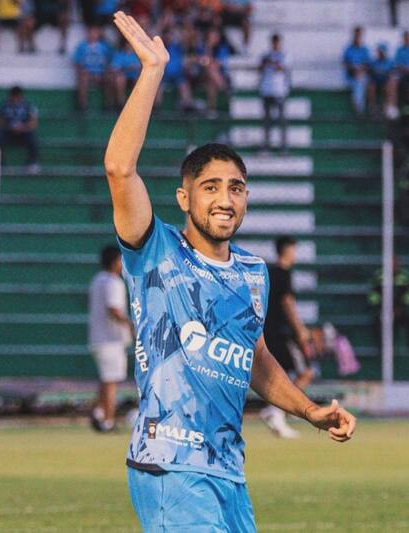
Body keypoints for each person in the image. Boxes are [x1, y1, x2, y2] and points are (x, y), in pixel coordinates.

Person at [105, 12, 355, 532]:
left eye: (236, 187)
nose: (225, 198)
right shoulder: (155, 250)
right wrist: (152, 71)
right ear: (184, 197)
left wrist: (308, 410)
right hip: (169, 464)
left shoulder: (252, 272)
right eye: (211, 186)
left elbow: (255, 359)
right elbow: (120, 169)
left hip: (228, 471)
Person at [259, 236, 315, 439]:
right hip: (282, 333)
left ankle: (276, 413)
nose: (294, 253)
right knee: (306, 372)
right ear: (286, 250)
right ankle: (278, 411)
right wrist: (300, 329)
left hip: (268, 331)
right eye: (292, 249)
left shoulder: (270, 273)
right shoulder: (283, 274)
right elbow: (287, 303)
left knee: (280, 374)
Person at [88, 246, 132, 433]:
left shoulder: (97, 280)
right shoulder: (113, 282)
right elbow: (113, 309)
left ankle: (98, 413)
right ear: (115, 261)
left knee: (106, 380)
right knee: (111, 381)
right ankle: (108, 421)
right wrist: (131, 325)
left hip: (98, 337)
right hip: (110, 339)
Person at [368, 255, 409, 352]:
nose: (394, 265)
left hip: (400, 309)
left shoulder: (405, 276)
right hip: (383, 310)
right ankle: (382, 349)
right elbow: (373, 295)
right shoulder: (379, 276)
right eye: (391, 263)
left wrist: (401, 307)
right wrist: (382, 307)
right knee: (378, 322)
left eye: (396, 263)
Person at [258, 33, 290, 152]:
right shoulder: (265, 55)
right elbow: (260, 68)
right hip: (266, 90)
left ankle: (283, 145)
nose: (275, 44)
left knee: (281, 120)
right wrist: (265, 63)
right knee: (267, 121)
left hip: (279, 91)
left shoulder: (285, 55)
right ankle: (266, 145)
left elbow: (282, 68)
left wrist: (269, 62)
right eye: (274, 42)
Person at [0, 85, 39, 173]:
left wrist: (23, 127)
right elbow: (0, 122)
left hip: (24, 131)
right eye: (14, 97)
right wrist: (11, 127)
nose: (16, 99)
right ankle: (0, 164)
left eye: (18, 97)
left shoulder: (28, 106)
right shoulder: (4, 106)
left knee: (32, 138)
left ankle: (33, 163)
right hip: (9, 131)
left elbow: (34, 123)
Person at [72, 25, 112, 110]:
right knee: (83, 77)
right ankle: (83, 105)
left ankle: (108, 105)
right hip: (87, 73)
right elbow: (76, 61)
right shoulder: (81, 46)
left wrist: (106, 71)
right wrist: (80, 71)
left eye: (95, 32)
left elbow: (110, 61)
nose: (93, 34)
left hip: (101, 72)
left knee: (109, 78)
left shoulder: (104, 46)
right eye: (91, 32)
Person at [342, 26, 370, 116]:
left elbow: (367, 64)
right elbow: (345, 63)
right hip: (351, 74)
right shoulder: (348, 49)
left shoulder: (364, 49)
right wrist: (353, 70)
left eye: (359, 35)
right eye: (356, 34)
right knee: (358, 81)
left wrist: (360, 70)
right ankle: (359, 109)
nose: (358, 36)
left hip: (361, 74)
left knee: (360, 81)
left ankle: (358, 106)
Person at [368, 42, 396, 118]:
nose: (380, 53)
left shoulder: (390, 62)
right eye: (379, 51)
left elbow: (392, 73)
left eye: (382, 52)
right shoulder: (373, 62)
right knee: (371, 86)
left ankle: (389, 107)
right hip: (376, 82)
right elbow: (371, 73)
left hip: (386, 82)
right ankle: (372, 107)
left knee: (391, 84)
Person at [110, 40, 141, 109]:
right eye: (128, 44)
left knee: (139, 79)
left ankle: (136, 105)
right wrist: (127, 68)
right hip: (123, 78)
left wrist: (125, 67)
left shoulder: (137, 55)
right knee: (120, 79)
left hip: (134, 78)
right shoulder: (119, 54)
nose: (130, 46)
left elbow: (138, 68)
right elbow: (114, 68)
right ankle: (121, 104)